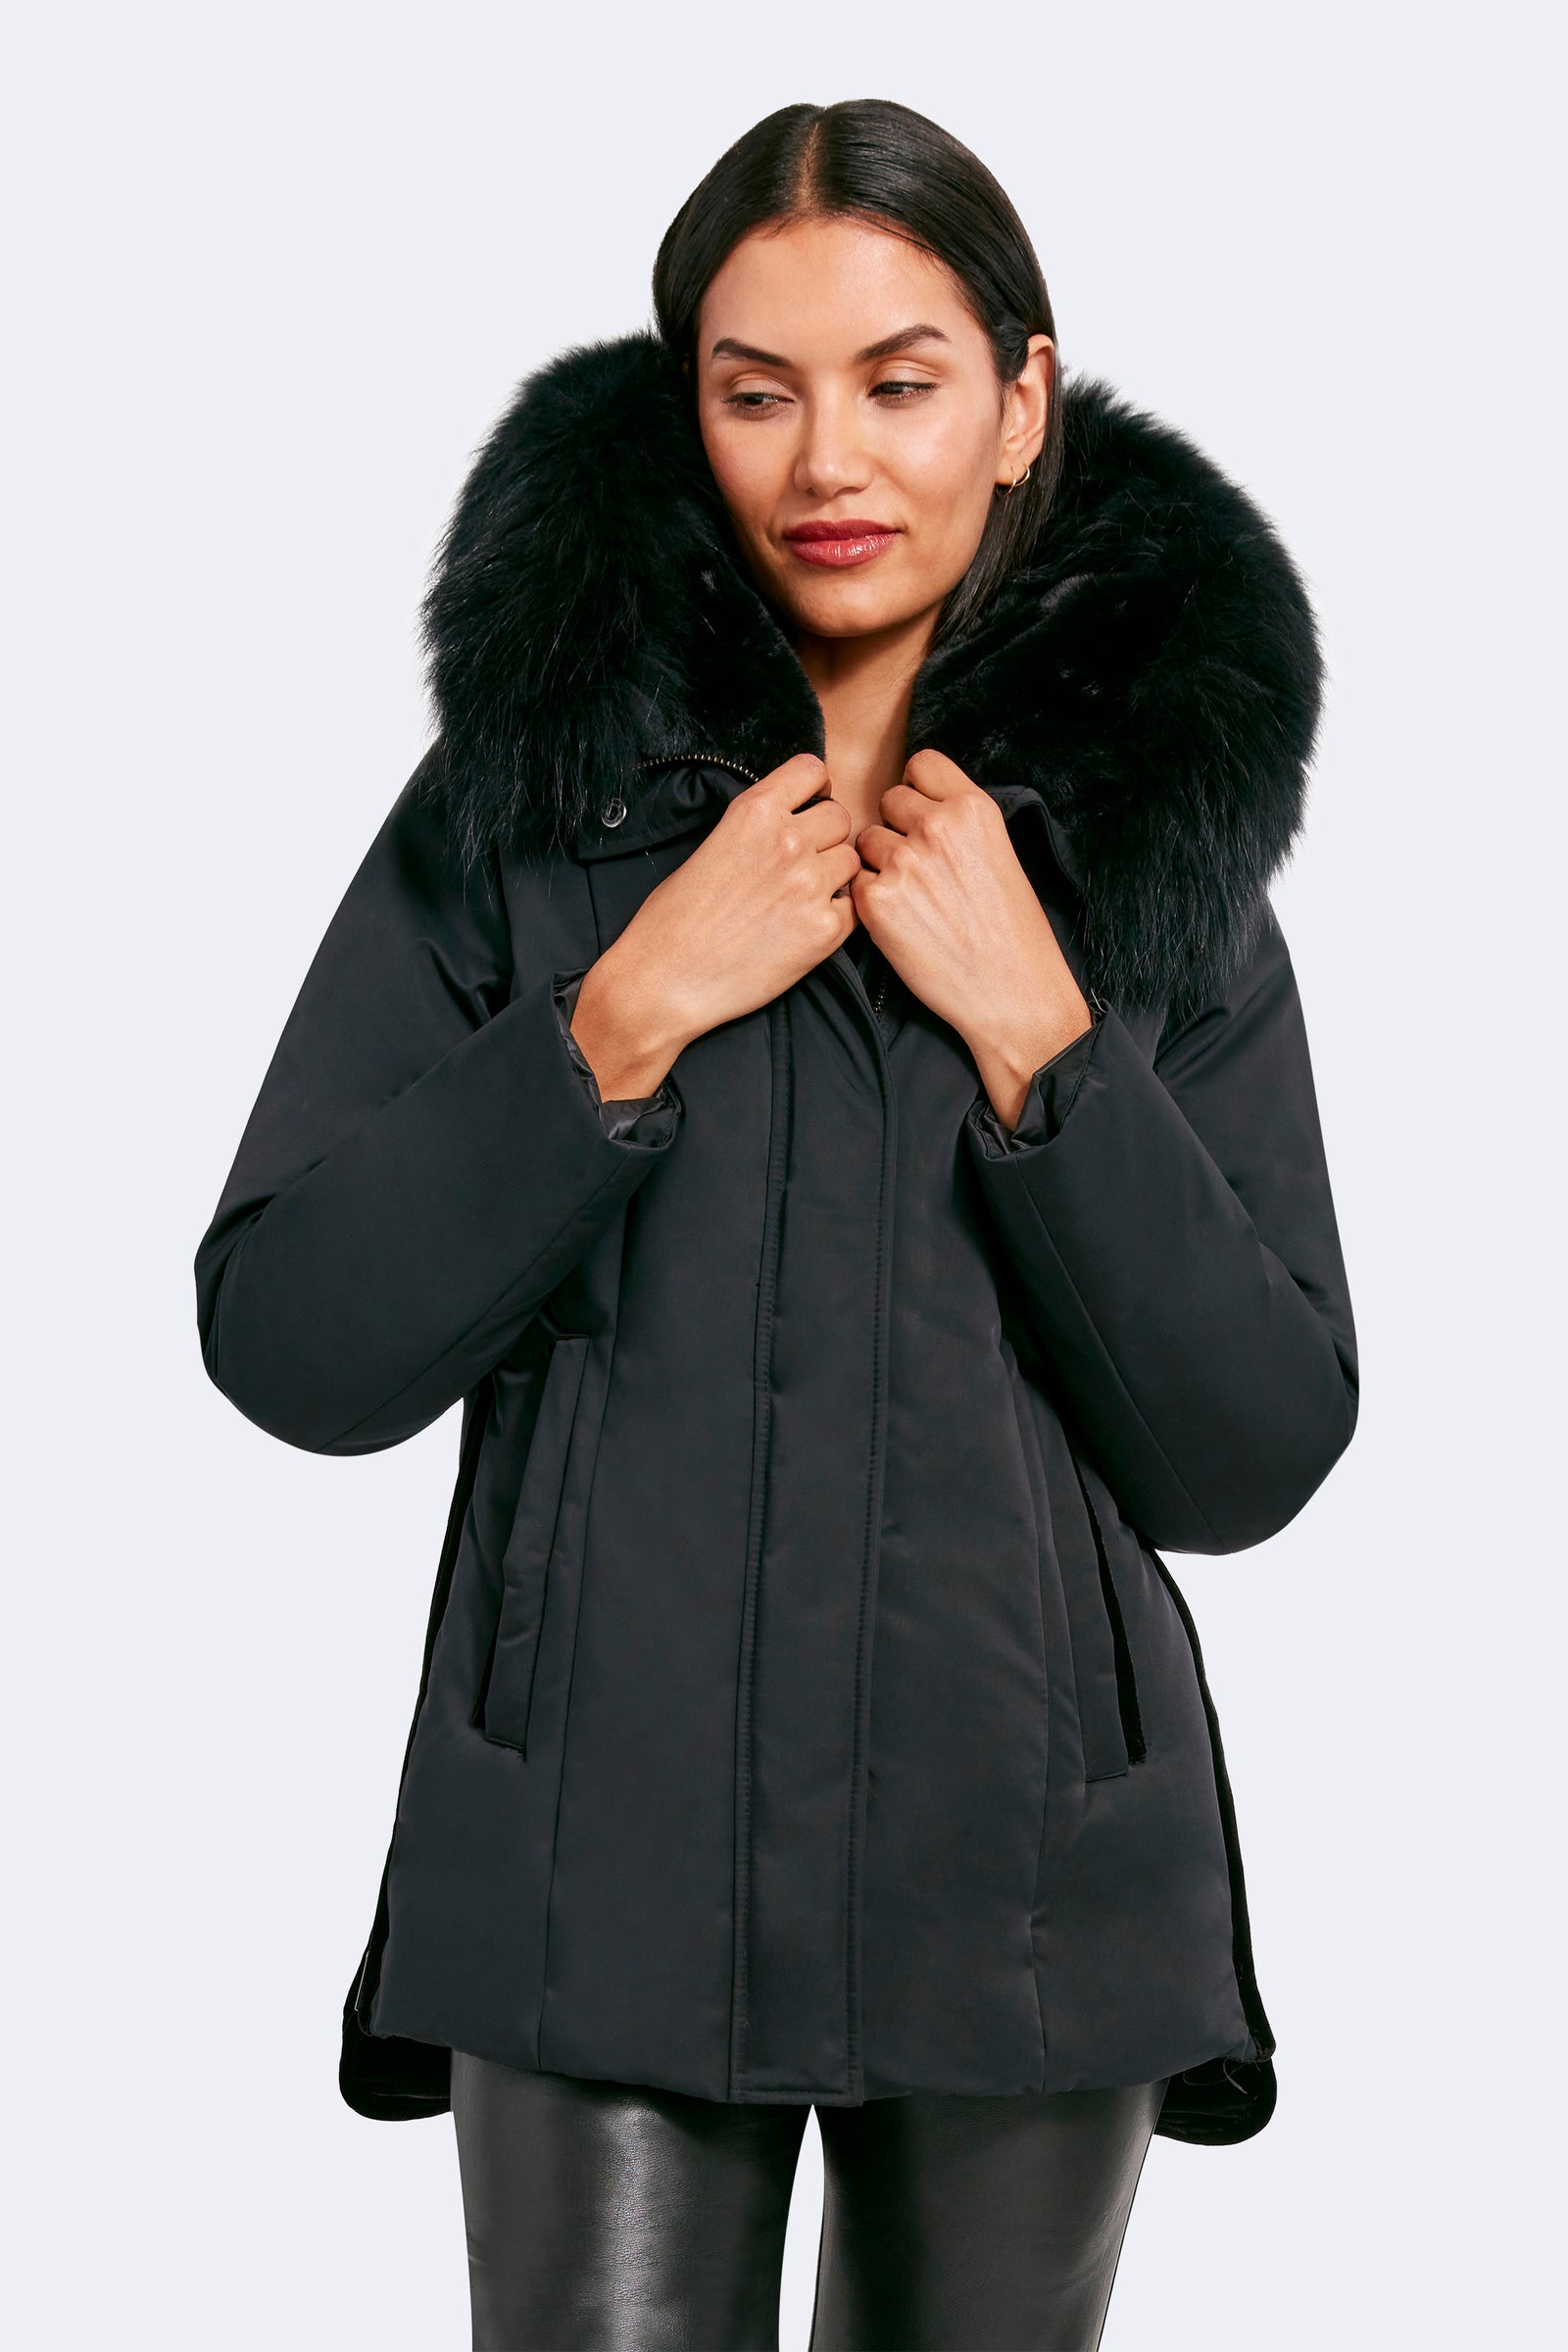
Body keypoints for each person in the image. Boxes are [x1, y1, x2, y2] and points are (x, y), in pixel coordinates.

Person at [196, 98, 1357, 2352]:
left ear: (1016, 403)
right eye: (756, 391)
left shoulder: (1141, 838)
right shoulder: (532, 809)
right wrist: (624, 1015)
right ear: (686, 413)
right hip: (590, 1869)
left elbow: (1248, 1451)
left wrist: (1041, 1039)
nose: (829, 459)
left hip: (1030, 1889)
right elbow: (292, 1341)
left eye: (899, 382)